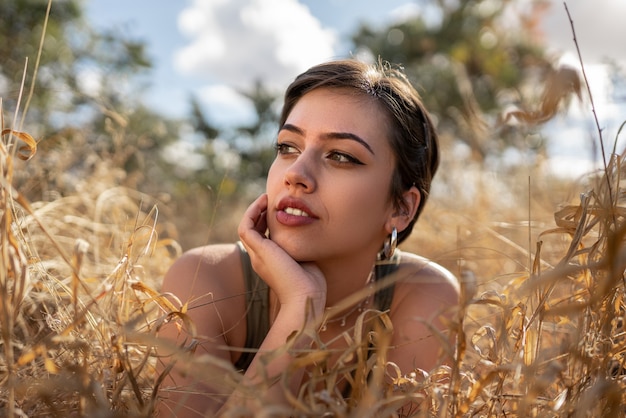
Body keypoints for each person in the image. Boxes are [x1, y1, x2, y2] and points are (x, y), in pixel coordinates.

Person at [155, 58, 459, 417]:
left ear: (400, 209)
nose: (296, 174)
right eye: (287, 147)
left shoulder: (423, 297)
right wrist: (301, 309)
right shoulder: (204, 281)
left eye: (341, 156)